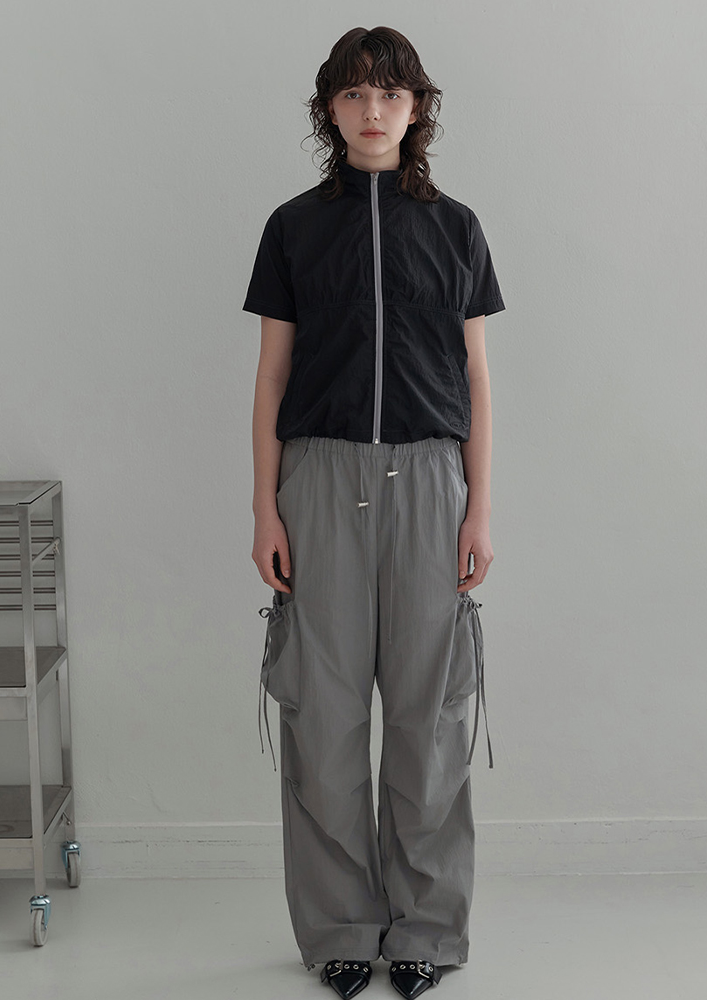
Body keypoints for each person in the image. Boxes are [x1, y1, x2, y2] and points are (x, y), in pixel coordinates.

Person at [244, 25, 504, 1000]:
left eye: (390, 93)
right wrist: (266, 509)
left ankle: (427, 927)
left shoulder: (457, 227)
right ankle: (342, 928)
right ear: (329, 109)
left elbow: (475, 379)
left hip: (432, 484)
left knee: (430, 717)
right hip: (318, 480)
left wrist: (478, 509)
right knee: (323, 715)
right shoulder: (294, 228)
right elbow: (272, 377)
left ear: (416, 107)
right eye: (353, 93)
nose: (372, 110)